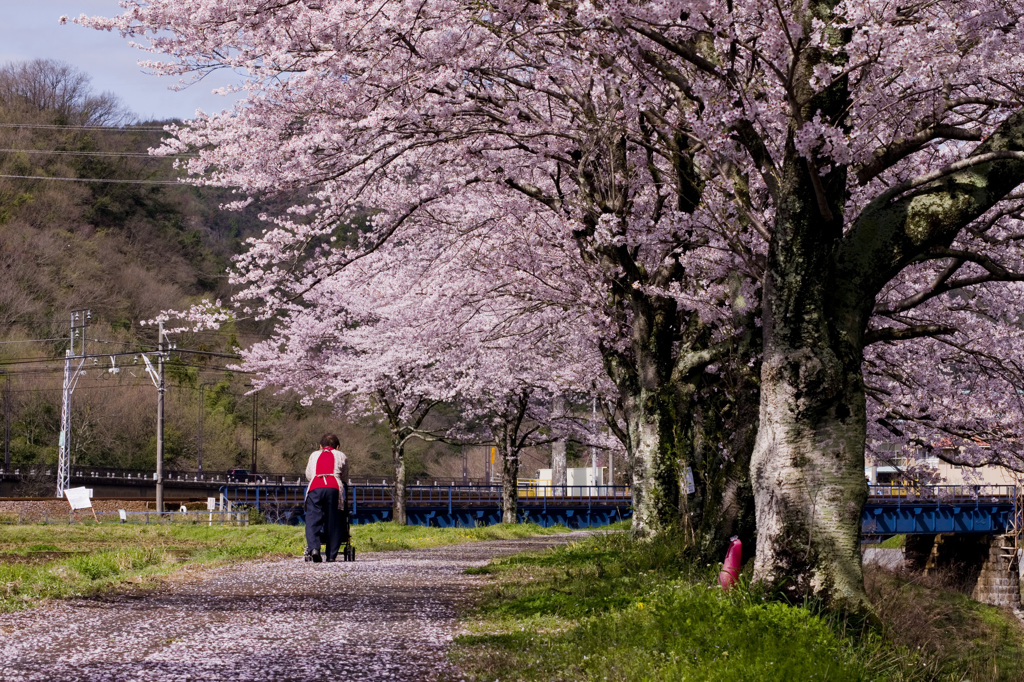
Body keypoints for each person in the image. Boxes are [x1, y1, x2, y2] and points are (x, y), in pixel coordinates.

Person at [303, 433, 349, 563]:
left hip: (315, 487)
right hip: (333, 487)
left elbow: (308, 475)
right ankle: (331, 555)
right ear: (338, 446)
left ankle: (314, 549)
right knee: (334, 519)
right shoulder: (341, 456)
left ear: (320, 446)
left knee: (313, 518)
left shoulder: (314, 455)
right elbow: (344, 476)